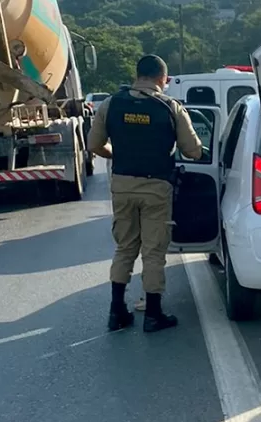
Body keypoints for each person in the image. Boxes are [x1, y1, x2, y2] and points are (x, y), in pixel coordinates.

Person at [88, 54, 203, 333]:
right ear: (162, 78)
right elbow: (194, 151)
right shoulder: (169, 107)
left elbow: (94, 144)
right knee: (153, 252)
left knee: (125, 247)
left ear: (136, 75)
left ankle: (117, 312)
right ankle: (153, 315)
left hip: (123, 184)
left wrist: (116, 154)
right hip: (156, 188)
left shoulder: (111, 103)